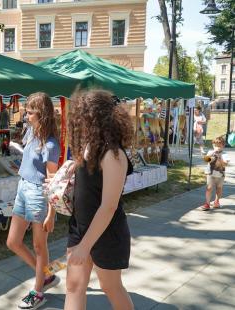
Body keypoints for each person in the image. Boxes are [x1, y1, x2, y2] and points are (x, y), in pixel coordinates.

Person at [65, 89, 134, 310]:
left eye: (83, 117)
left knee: (110, 287)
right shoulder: (88, 147)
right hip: (80, 227)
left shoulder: (114, 154)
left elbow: (109, 206)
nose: (78, 122)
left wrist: (85, 247)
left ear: (97, 119)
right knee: (74, 286)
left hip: (107, 234)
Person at [6, 92, 60, 310]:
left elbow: (53, 182)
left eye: (30, 112)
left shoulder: (51, 144)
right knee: (12, 242)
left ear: (41, 114)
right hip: (23, 188)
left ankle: (38, 291)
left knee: (40, 246)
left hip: (39, 193)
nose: (26, 116)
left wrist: (51, 213)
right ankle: (46, 275)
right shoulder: (31, 132)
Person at [201, 136, 229, 211]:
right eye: (215, 146)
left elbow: (225, 164)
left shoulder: (224, 154)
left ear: (223, 146)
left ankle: (217, 201)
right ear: (213, 145)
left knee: (219, 188)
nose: (217, 147)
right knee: (209, 188)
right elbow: (206, 160)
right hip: (211, 173)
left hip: (220, 174)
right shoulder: (210, 152)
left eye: (219, 146)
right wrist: (213, 153)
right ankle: (207, 203)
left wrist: (220, 158)